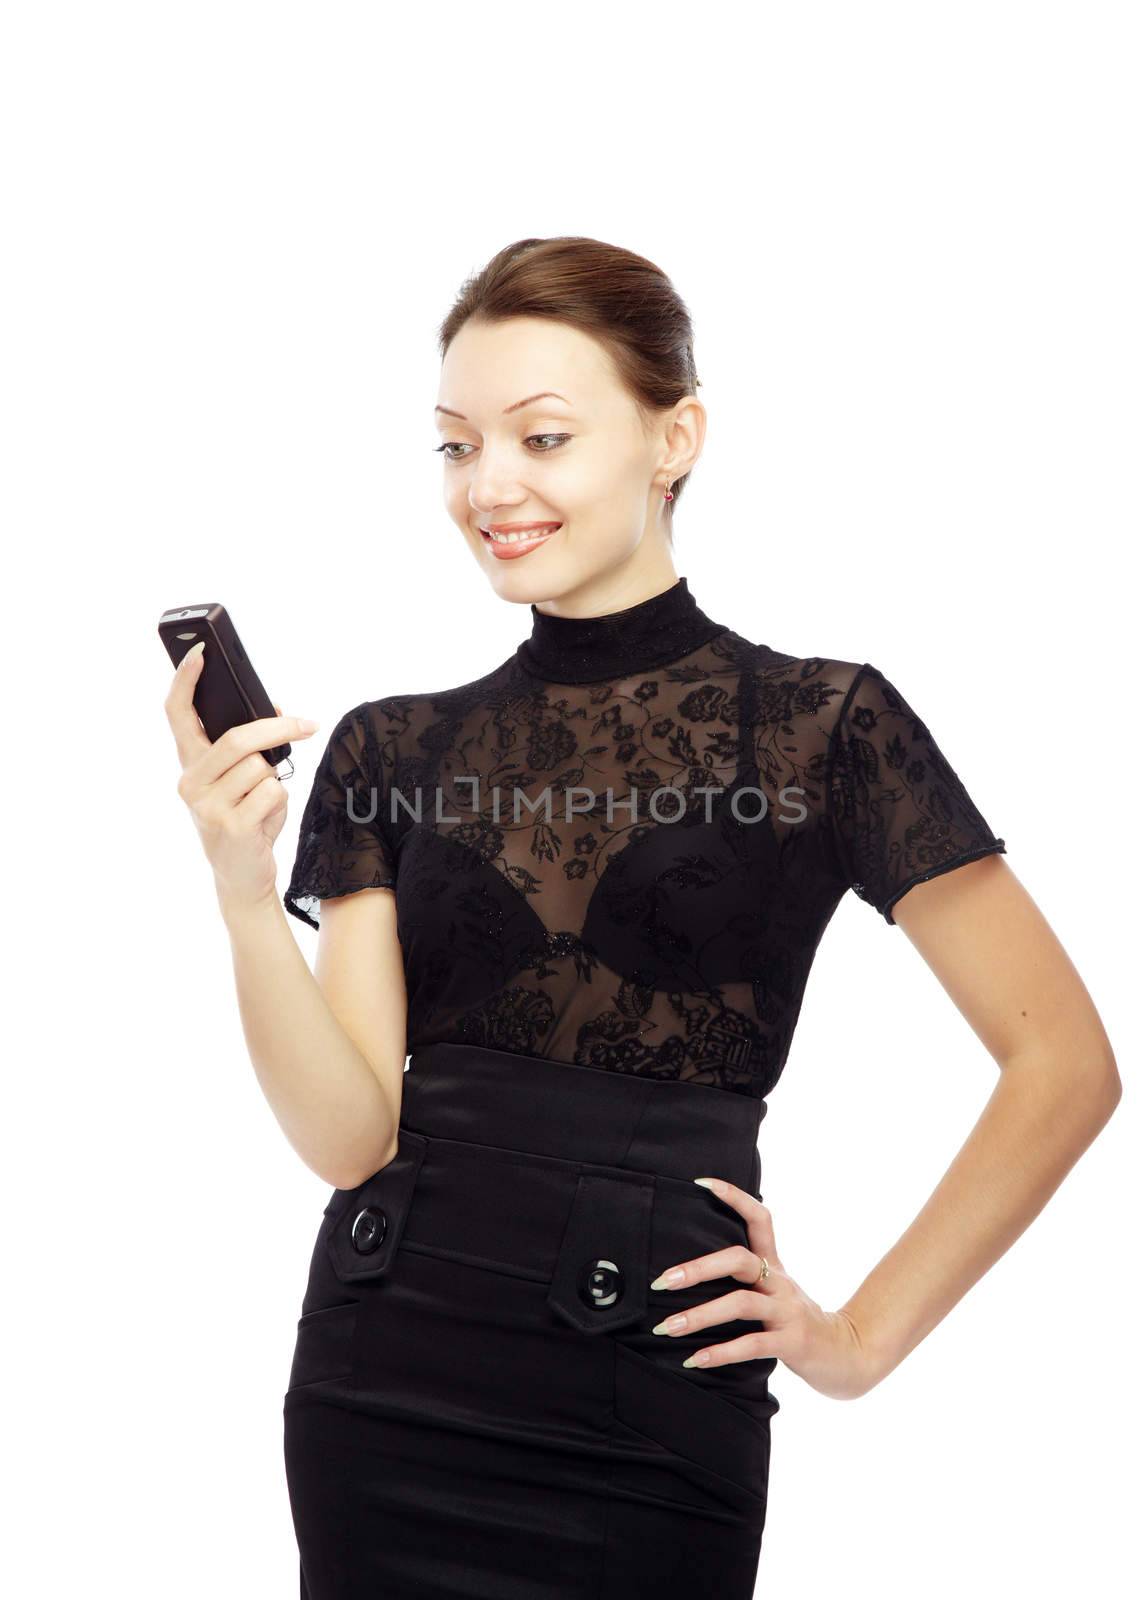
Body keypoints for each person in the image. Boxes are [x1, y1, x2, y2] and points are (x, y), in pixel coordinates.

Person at [165, 236, 1121, 1599]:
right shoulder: (392, 748)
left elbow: (1065, 1067)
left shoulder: (817, 727)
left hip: (647, 1400)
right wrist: (244, 890)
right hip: (384, 1378)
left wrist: (852, 1343)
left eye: (541, 437)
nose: (489, 486)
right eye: (454, 446)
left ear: (674, 438)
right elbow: (348, 1134)